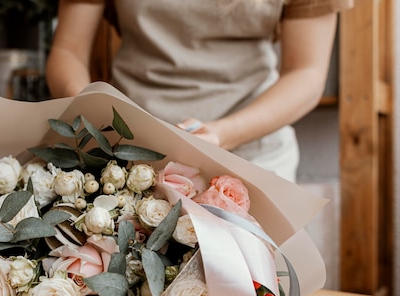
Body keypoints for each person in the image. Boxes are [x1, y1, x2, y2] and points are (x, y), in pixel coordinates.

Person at [45, 0, 354, 182]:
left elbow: (307, 74)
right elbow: (67, 51)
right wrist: (98, 119)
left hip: (252, 155)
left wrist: (222, 134)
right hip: (127, 149)